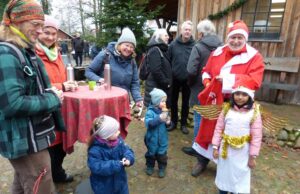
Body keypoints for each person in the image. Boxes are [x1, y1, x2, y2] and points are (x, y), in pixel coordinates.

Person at [0, 0, 65, 193]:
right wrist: (53, 99)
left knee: (23, 185)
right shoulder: (6, 53)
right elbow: (12, 104)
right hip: (23, 140)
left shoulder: (22, 50)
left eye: (41, 25)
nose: (39, 30)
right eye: (35, 25)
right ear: (17, 22)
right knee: (41, 185)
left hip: (29, 136)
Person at [192, 20, 265, 176]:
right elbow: (206, 71)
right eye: (233, 37)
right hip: (214, 100)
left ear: (245, 39)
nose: (236, 41)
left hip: (236, 104)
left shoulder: (254, 57)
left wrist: (226, 80)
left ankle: (223, 168)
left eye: (240, 37)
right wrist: (207, 82)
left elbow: (255, 81)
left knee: (228, 135)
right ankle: (201, 161)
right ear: (228, 38)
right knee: (206, 131)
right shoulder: (217, 52)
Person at [35, 15, 78, 183]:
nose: (51, 37)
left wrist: (69, 83)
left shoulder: (56, 53)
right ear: (38, 31)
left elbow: (60, 77)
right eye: (47, 32)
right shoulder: (33, 54)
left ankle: (57, 172)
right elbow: (38, 85)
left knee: (60, 145)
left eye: (54, 34)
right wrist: (63, 86)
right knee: (49, 147)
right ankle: (48, 179)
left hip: (61, 106)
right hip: (44, 108)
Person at [182, 19, 222, 175]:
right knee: (213, 121)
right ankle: (205, 150)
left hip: (200, 89)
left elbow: (191, 70)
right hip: (216, 91)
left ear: (201, 33)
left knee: (199, 119)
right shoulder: (221, 47)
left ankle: (198, 150)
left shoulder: (198, 47)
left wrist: (190, 84)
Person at [212, 84, 262, 194]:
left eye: (244, 94)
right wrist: (215, 147)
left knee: (239, 177)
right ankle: (223, 191)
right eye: (237, 94)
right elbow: (219, 128)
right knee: (224, 175)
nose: (240, 97)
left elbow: (257, 136)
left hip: (243, 153)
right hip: (226, 151)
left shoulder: (254, 112)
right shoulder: (226, 109)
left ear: (250, 96)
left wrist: (252, 156)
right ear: (233, 95)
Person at [85, 27, 143, 106]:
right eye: (126, 45)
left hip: (123, 100)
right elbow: (88, 71)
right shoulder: (105, 55)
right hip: (105, 99)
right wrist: (99, 79)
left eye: (131, 47)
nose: (128, 49)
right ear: (119, 44)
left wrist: (138, 99)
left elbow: (134, 82)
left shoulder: (132, 61)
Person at [87, 115, 135, 194]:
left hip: (120, 183)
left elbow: (126, 150)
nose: (119, 132)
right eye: (115, 131)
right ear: (106, 135)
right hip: (104, 187)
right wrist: (116, 164)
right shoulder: (95, 150)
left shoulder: (119, 141)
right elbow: (96, 167)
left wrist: (129, 158)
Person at [168, 20, 195, 134]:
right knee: (173, 101)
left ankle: (183, 123)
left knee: (185, 102)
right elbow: (168, 60)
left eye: (189, 30)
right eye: (185, 29)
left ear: (191, 31)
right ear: (181, 30)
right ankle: (174, 121)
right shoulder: (173, 44)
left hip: (188, 79)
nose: (187, 32)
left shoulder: (195, 45)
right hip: (174, 78)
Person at [144, 88, 170, 178]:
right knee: (151, 154)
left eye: (165, 101)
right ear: (156, 102)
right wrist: (159, 118)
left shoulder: (165, 112)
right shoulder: (150, 112)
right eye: (162, 101)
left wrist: (168, 122)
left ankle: (162, 168)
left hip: (163, 139)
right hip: (152, 139)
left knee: (162, 155)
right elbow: (150, 124)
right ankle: (150, 166)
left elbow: (168, 125)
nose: (165, 103)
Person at [143, 28, 172, 108]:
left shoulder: (161, 50)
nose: (168, 37)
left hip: (159, 88)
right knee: (155, 116)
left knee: (160, 116)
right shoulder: (155, 50)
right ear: (159, 37)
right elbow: (156, 71)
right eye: (165, 35)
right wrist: (167, 83)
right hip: (156, 89)